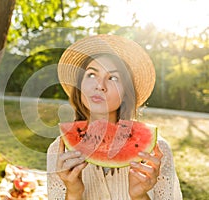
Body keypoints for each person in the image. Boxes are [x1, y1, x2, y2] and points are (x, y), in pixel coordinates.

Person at [47, 34, 182, 200]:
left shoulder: (156, 151)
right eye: (91, 74)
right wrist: (73, 192)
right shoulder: (59, 151)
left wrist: (140, 196)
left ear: (126, 93)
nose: (100, 86)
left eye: (113, 78)